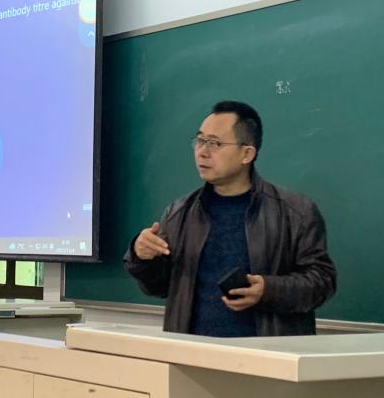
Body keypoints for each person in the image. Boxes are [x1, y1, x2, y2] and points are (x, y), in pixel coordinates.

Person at [124, 101, 336, 337]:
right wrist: (141, 256)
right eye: (200, 141)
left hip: (268, 354)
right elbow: (158, 287)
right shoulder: (179, 213)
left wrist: (268, 290)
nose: (202, 152)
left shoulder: (295, 212)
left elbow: (323, 282)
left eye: (214, 143)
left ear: (247, 153)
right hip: (193, 351)